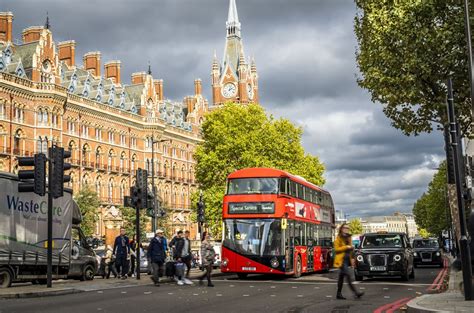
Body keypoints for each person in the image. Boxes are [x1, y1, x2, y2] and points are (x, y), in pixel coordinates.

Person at [333, 223, 363, 300]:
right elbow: (336, 249)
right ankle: (356, 293)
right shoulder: (338, 238)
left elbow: (351, 250)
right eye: (345, 227)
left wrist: (352, 258)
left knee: (341, 278)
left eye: (348, 228)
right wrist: (346, 247)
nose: (346, 229)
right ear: (342, 229)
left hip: (347, 260)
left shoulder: (349, 237)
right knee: (348, 276)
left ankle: (338, 294)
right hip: (341, 260)